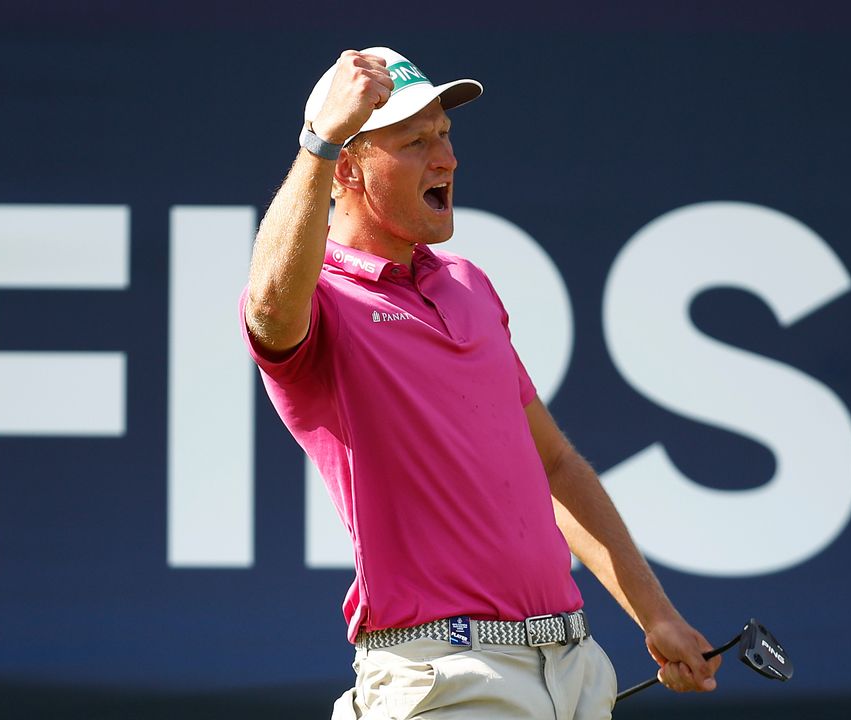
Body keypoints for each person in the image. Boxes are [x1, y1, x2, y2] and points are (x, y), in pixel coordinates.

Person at [241, 47, 721, 719]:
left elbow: (551, 462)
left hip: (575, 669)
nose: (447, 159)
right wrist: (319, 141)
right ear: (348, 170)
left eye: (445, 135)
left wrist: (655, 612)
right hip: (444, 676)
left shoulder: (466, 283)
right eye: (415, 142)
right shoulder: (321, 300)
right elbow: (267, 305)